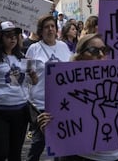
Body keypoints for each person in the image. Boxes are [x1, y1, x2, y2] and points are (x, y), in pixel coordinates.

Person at [0, 21, 38, 160]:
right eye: (8, 35)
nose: (13, 38)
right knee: (0, 153)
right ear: (0, 38)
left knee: (15, 154)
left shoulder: (24, 58)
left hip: (20, 112)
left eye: (15, 35)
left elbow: (33, 82)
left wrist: (33, 75)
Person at [25, 15, 72, 161]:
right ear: (41, 31)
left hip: (62, 103)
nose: (50, 29)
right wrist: (31, 76)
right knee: (39, 142)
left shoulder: (64, 46)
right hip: (40, 103)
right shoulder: (33, 49)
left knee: (60, 142)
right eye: (46, 27)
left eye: (53, 26)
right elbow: (22, 78)